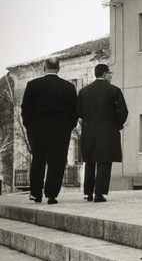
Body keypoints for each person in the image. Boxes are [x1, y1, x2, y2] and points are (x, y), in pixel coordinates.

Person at [20, 57, 77, 204]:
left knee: (38, 160)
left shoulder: (33, 85)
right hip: (61, 130)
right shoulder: (68, 87)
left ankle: (36, 193)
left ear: (44, 68)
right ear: (58, 68)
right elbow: (74, 112)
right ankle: (52, 195)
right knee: (57, 161)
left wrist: (30, 127)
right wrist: (68, 127)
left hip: (38, 129)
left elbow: (25, 110)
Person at [78, 64, 128, 202]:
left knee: (89, 162)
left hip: (89, 133)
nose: (111, 76)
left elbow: (79, 112)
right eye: (110, 73)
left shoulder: (84, 91)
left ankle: (88, 193)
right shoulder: (114, 91)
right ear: (105, 74)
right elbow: (123, 112)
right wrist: (116, 126)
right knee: (104, 163)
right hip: (107, 133)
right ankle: (99, 193)